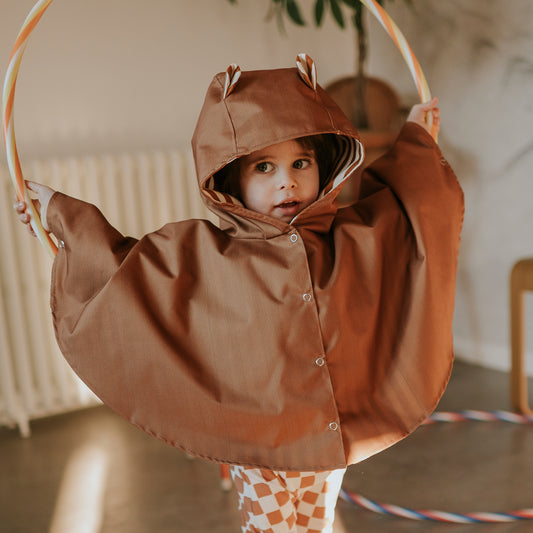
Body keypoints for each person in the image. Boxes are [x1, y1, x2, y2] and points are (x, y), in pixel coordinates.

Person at [14, 55, 463, 532]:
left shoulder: (351, 235)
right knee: (271, 528)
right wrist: (57, 211)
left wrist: (416, 138)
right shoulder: (209, 253)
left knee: (316, 522)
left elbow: (410, 206)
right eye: (263, 167)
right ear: (231, 178)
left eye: (300, 163)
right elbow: (126, 269)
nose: (286, 180)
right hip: (259, 439)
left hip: (328, 433)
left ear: (325, 164)